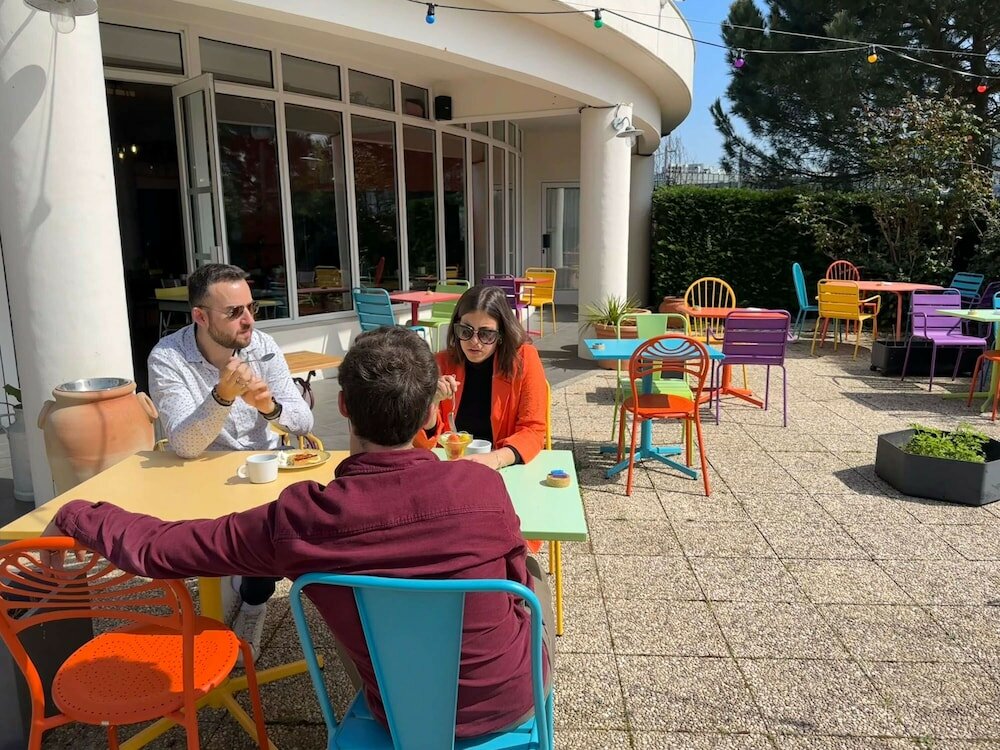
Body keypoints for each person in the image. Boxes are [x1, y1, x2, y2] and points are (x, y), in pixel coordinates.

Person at [47, 326, 552, 739]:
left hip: (396, 711)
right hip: (513, 701)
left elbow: (166, 549)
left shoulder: (304, 519)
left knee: (363, 608)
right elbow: (513, 581)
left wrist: (77, 513)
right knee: (530, 576)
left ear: (344, 409)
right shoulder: (482, 487)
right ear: (428, 413)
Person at [147, 263, 313, 659]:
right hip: (201, 474)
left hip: (265, 471)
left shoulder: (263, 346)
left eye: (250, 308)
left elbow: (303, 419)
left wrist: (269, 406)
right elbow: (185, 444)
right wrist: (221, 397)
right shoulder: (169, 357)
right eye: (234, 312)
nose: (248, 321)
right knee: (213, 551)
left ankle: (254, 603)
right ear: (200, 317)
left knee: (282, 527)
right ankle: (228, 585)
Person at [414, 284, 548, 470]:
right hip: (450, 469)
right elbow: (424, 442)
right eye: (465, 331)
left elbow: (533, 429)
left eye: (486, 334)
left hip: (504, 466)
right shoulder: (441, 363)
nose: (474, 342)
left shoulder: (523, 359)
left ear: (501, 334)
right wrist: (432, 403)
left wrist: (496, 459)